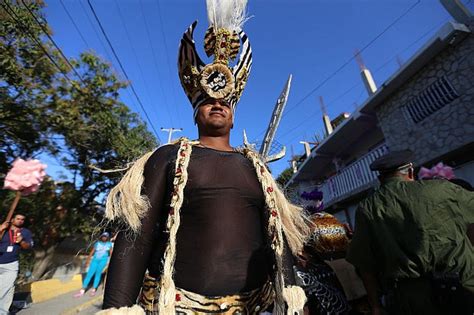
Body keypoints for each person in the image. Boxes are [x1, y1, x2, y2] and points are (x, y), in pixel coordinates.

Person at [100, 1, 310, 314]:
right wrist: (117, 309)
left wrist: (293, 298)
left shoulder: (257, 168)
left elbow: (275, 237)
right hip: (179, 307)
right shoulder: (168, 157)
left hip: (254, 307)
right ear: (196, 112)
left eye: (225, 100)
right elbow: (137, 236)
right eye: (208, 100)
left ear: (234, 115)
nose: (217, 103)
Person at [346, 150, 474, 315]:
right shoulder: (442, 189)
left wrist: (376, 306)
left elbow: (365, 265)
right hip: (463, 286)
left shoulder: (367, 208)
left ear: (380, 178)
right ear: (411, 171)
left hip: (410, 299)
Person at [0, 214, 33, 314]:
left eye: (22, 219)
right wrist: (1, 228)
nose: (20, 221)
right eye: (18, 219)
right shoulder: (4, 229)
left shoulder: (25, 232)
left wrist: (21, 241)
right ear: (12, 219)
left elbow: (28, 247)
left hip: (11, 264)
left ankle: (2, 312)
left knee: (7, 289)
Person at [74, 232, 113, 298]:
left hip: (103, 261)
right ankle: (83, 289)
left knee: (98, 274)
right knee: (89, 274)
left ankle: (94, 289)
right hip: (95, 261)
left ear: (107, 238)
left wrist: (110, 262)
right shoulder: (97, 243)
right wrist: (88, 261)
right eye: (103, 236)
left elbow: (111, 254)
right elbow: (92, 252)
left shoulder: (109, 244)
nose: (104, 237)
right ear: (101, 236)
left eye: (106, 236)